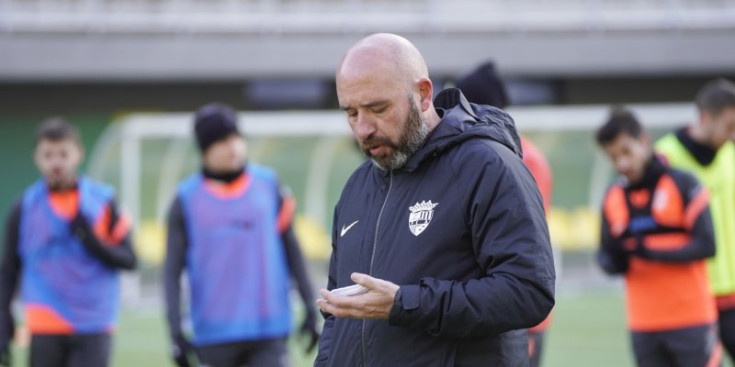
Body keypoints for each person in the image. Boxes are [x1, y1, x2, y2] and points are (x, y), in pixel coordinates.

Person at [314, 33, 555, 366]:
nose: (363, 129)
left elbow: (528, 292)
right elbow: (336, 315)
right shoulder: (357, 186)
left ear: (423, 95)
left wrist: (404, 304)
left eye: (378, 108)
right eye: (352, 113)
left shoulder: (487, 166)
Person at [163, 102, 319, 367]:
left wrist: (310, 308)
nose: (233, 146)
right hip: (213, 335)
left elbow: (292, 249)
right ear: (205, 149)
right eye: (222, 141)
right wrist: (175, 332)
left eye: (236, 137)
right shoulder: (185, 199)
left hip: (270, 328)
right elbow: (171, 270)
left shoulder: (269, 185)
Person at [0, 117, 137, 367]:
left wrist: (92, 241)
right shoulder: (23, 208)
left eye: (63, 153)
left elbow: (130, 260)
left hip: (94, 322)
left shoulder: (103, 201)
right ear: (36, 158)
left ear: (79, 154)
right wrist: (3, 318)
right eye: (48, 155)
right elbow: (9, 269)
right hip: (45, 320)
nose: (56, 162)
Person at [596, 107, 720, 366]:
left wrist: (650, 252)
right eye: (613, 157)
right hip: (643, 325)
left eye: (626, 152)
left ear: (643, 140)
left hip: (692, 320)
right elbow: (606, 255)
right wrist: (613, 260)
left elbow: (707, 245)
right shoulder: (613, 197)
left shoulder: (683, 183)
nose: (622, 164)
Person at [455, 61, 554, 367]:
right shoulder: (479, 151)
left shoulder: (519, 157)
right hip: (481, 307)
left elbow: (521, 238)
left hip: (514, 312)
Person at [655, 78, 735, 362]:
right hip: (690, 297)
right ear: (705, 117)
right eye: (728, 126)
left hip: (733, 293)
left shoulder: (731, 153)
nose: (732, 134)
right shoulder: (665, 158)